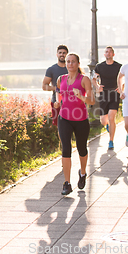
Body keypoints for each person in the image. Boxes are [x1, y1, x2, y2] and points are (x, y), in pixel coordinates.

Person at [55, 53, 95, 195]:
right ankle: (67, 183)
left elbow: (92, 100)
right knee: (66, 149)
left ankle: (82, 173)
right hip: (64, 118)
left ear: (78, 64)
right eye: (68, 61)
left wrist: (81, 97)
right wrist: (57, 101)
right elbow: (58, 93)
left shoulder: (84, 80)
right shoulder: (61, 79)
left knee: (82, 149)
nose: (70, 64)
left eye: (73, 62)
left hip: (81, 120)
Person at [93, 46, 122, 150]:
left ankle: (111, 141)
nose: (108, 53)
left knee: (111, 117)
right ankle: (107, 125)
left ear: (113, 54)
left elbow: (124, 78)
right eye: (106, 52)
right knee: (103, 121)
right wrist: (97, 87)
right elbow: (94, 79)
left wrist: (121, 87)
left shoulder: (119, 66)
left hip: (114, 93)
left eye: (110, 52)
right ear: (104, 54)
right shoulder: (99, 66)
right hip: (104, 94)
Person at [42, 45, 68, 127]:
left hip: (71, 101)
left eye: (64, 53)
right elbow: (44, 86)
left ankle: (68, 140)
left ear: (67, 55)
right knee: (59, 126)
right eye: (60, 53)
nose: (62, 55)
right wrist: (58, 88)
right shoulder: (51, 69)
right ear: (57, 54)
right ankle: (62, 140)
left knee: (70, 125)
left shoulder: (71, 68)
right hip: (56, 101)